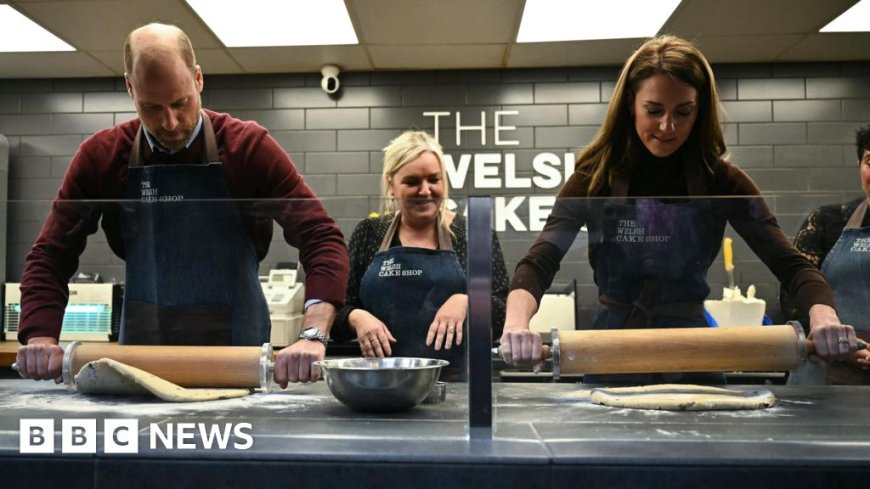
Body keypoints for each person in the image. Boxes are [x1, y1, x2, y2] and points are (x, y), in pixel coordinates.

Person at [499, 35, 858, 384]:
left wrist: (823, 315)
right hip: (613, 349)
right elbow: (540, 260)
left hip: (693, 350)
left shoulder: (722, 182)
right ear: (629, 105)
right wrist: (516, 323)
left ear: (699, 111)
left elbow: (790, 264)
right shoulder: (594, 180)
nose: (667, 126)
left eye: (683, 112)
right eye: (653, 110)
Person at [14, 23, 349, 388]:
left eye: (180, 103)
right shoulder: (102, 156)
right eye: (151, 107)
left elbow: (320, 237)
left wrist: (313, 332)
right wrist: (40, 336)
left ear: (198, 79)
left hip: (238, 358)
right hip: (142, 357)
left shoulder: (247, 147)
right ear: (130, 88)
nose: (170, 122)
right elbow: (51, 255)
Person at [330, 130, 508, 377]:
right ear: (391, 185)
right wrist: (356, 317)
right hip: (384, 382)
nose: (425, 191)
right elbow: (336, 312)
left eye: (434, 180)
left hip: (464, 384)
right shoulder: (371, 232)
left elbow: (504, 311)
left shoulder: (473, 232)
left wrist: (468, 301)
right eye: (412, 182)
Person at [781, 125, 870, 384]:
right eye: (869, 161)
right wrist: (838, 343)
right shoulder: (827, 222)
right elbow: (792, 294)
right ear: (859, 165)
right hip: (828, 373)